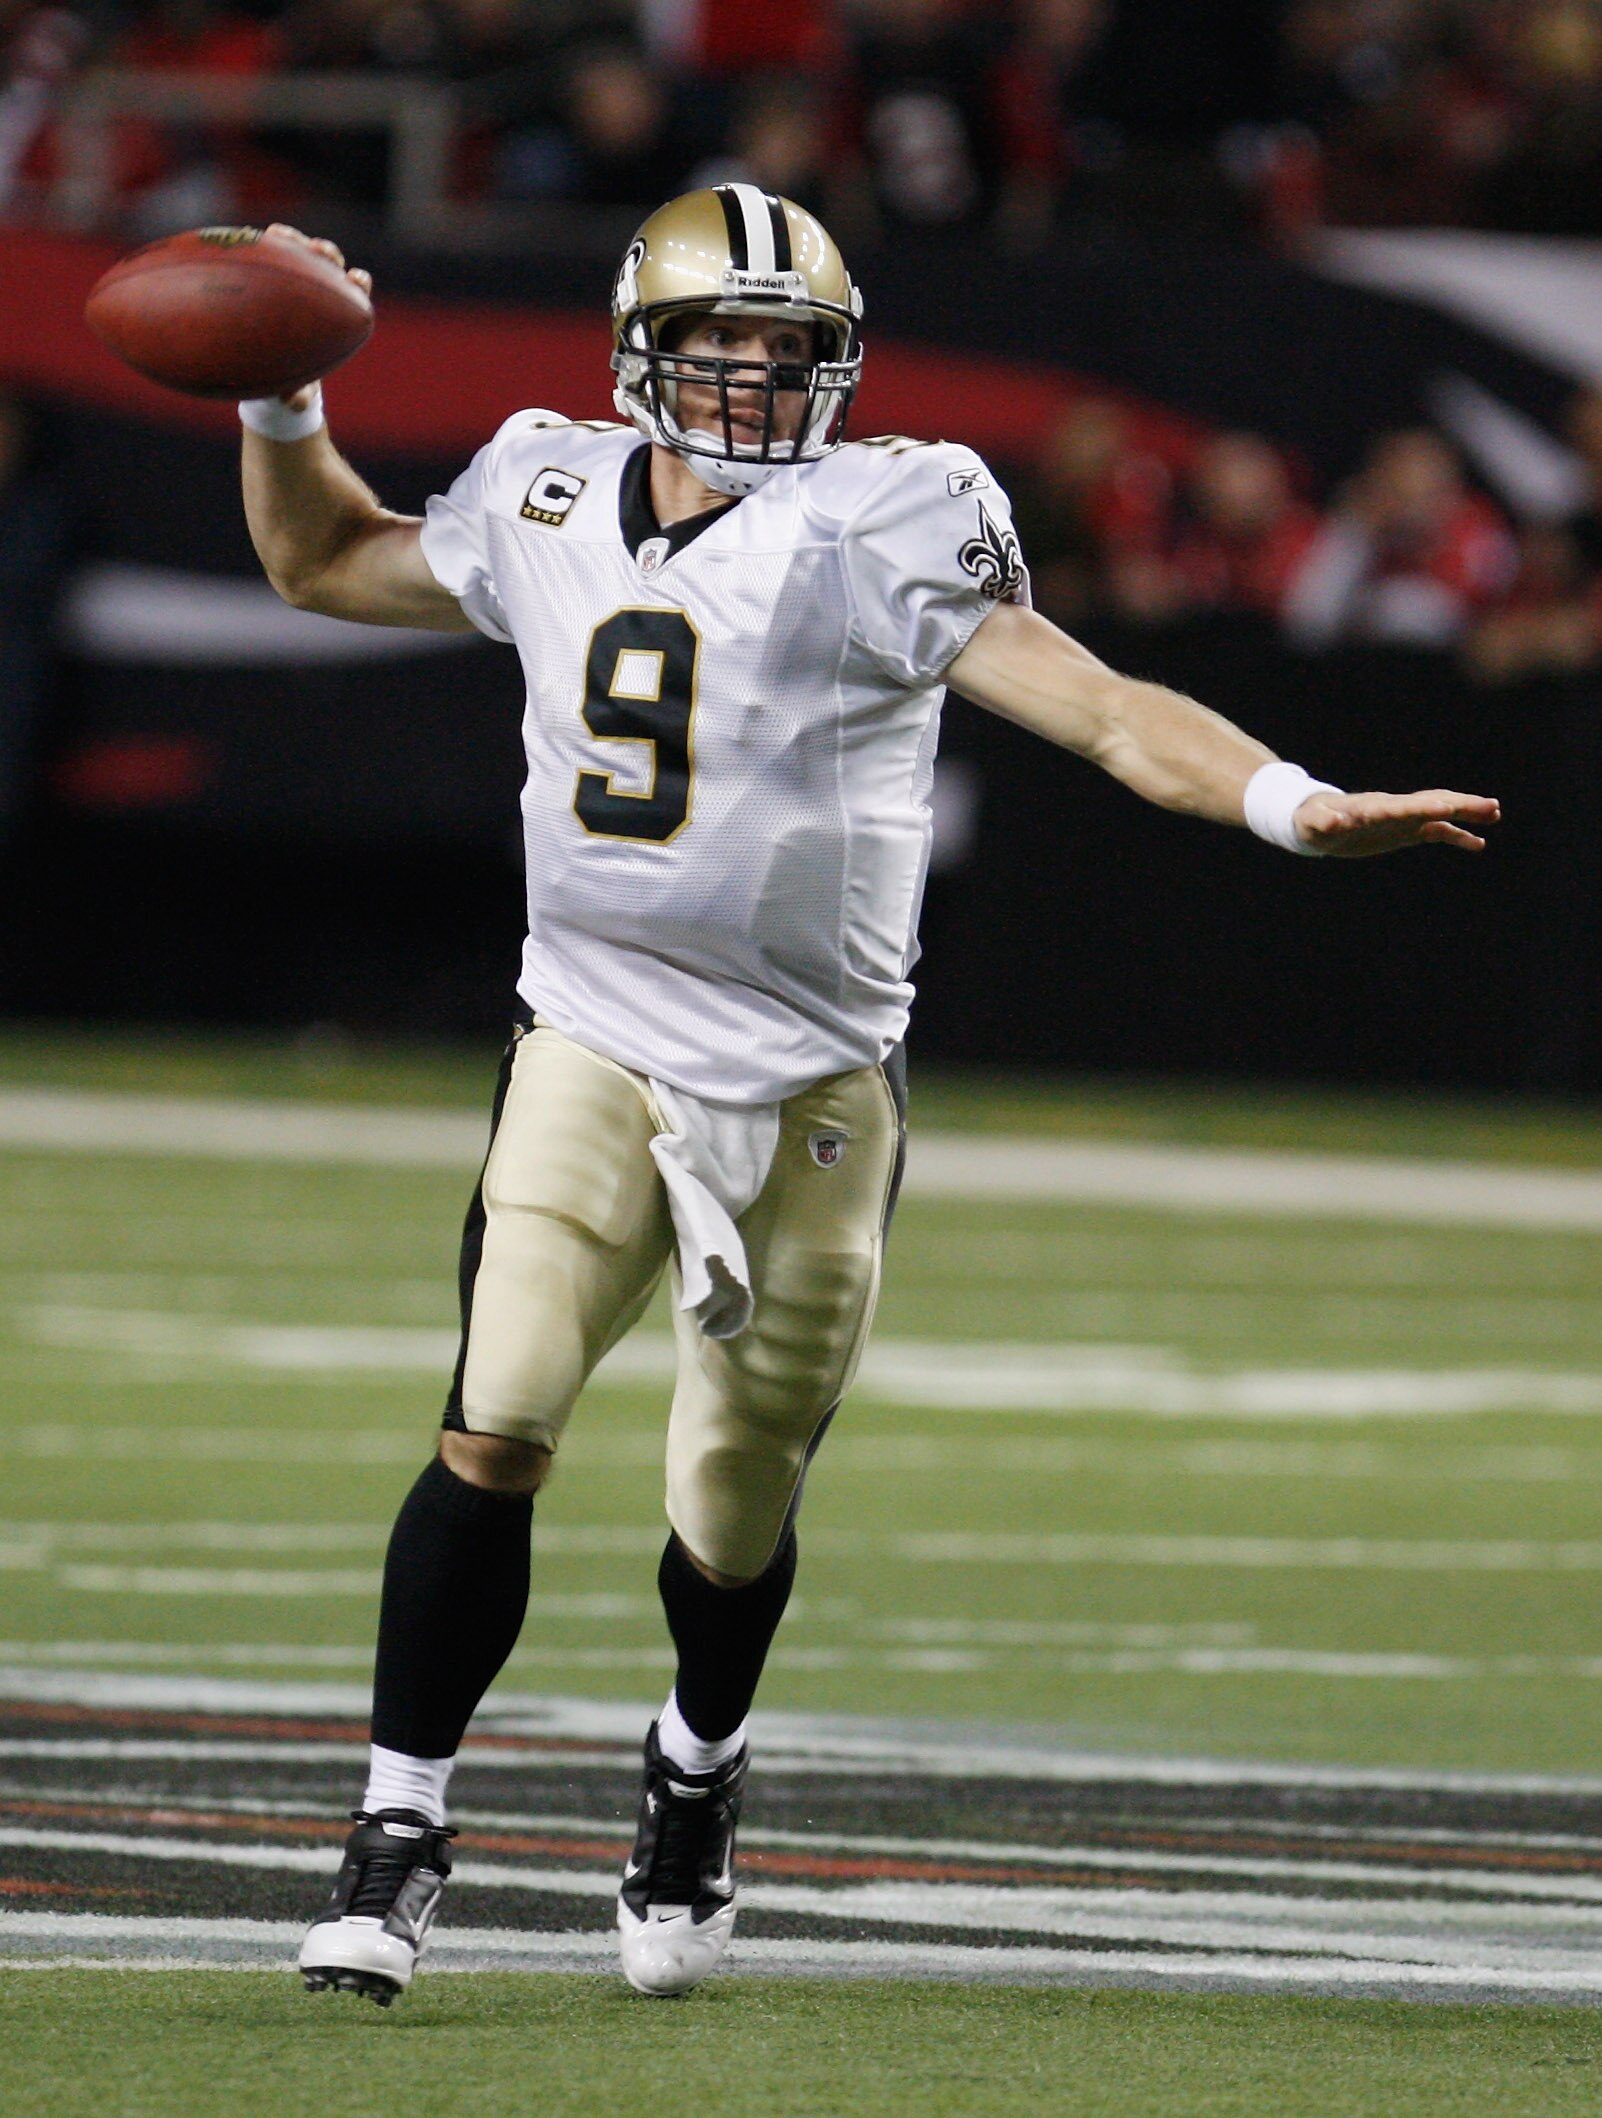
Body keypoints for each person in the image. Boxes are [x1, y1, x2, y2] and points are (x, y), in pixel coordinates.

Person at [236, 188, 1498, 2006]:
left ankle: (691, 1769)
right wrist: (282, 403)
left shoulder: (882, 516)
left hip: (810, 1079)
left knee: (727, 1497)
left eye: (785, 350)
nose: (751, 380)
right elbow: (320, 562)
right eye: (719, 344)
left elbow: (1102, 706)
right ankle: (395, 1827)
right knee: (495, 1417)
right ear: (639, 346)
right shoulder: (537, 489)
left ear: (834, 365)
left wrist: (1290, 800)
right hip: (588, 1034)